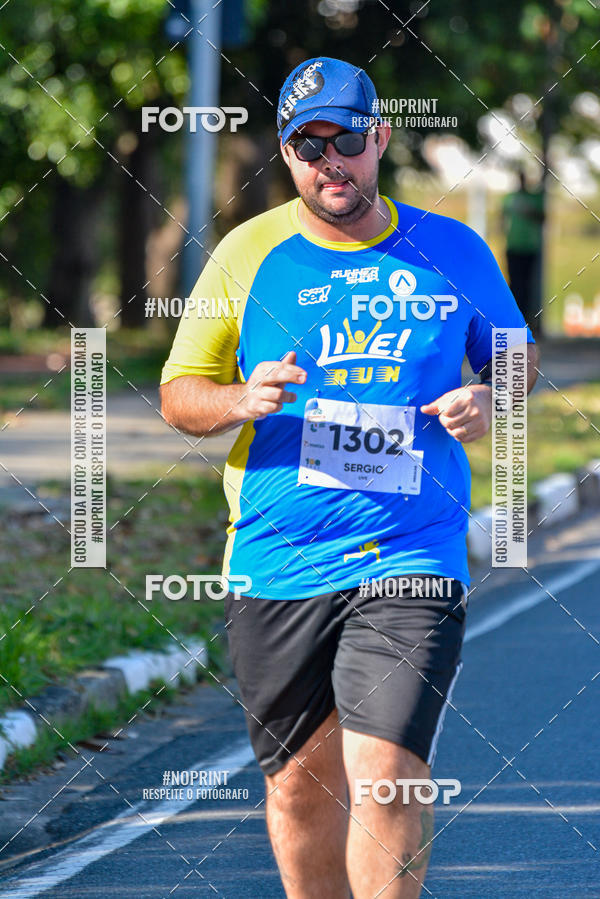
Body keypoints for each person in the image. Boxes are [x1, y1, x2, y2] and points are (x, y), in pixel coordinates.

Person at [161, 57, 538, 898]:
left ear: (381, 138)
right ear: (287, 156)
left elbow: (515, 356)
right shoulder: (245, 252)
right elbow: (178, 393)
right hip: (278, 555)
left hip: (412, 550)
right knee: (300, 789)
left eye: (347, 140)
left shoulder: (451, 249)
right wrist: (238, 399)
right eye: (308, 145)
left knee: (389, 769)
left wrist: (489, 395)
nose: (331, 161)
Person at [501, 169, 545, 338]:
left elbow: (542, 217)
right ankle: (514, 321)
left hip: (529, 247)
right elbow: (502, 219)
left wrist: (529, 211)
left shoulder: (534, 198)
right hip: (513, 246)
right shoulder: (509, 198)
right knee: (514, 284)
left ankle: (527, 321)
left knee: (527, 286)